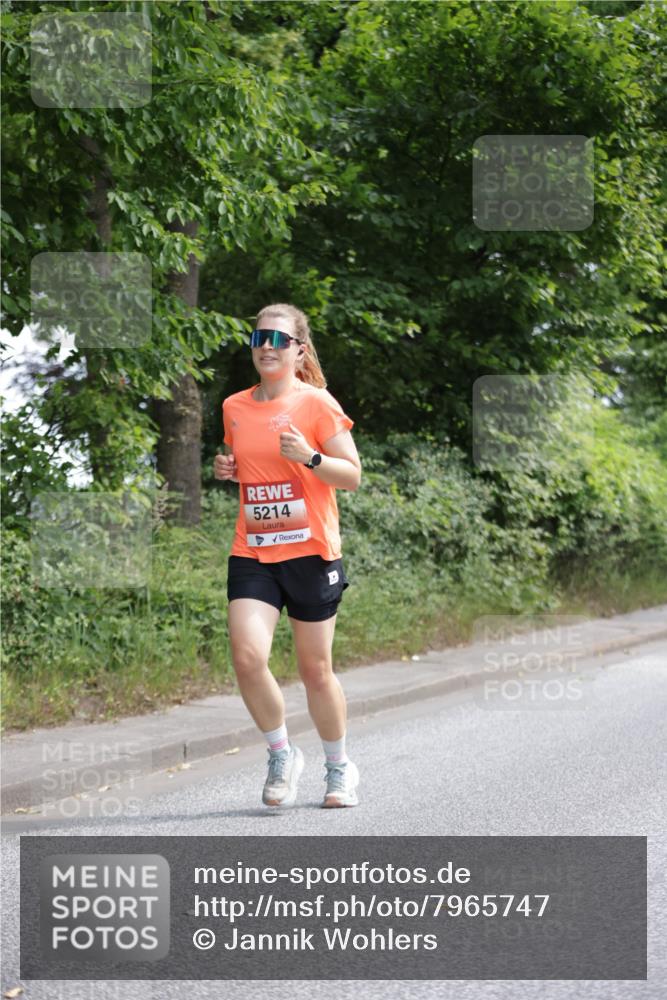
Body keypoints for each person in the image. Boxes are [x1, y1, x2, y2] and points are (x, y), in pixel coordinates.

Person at [214, 303, 362, 809]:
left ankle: (339, 768)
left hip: (311, 552)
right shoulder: (234, 406)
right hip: (253, 549)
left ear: (299, 351)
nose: (267, 347)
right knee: (247, 657)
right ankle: (281, 753)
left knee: (315, 669)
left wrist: (312, 457)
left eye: (279, 340)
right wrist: (228, 469)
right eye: (259, 338)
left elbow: (352, 475)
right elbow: (248, 462)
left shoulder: (316, 404)